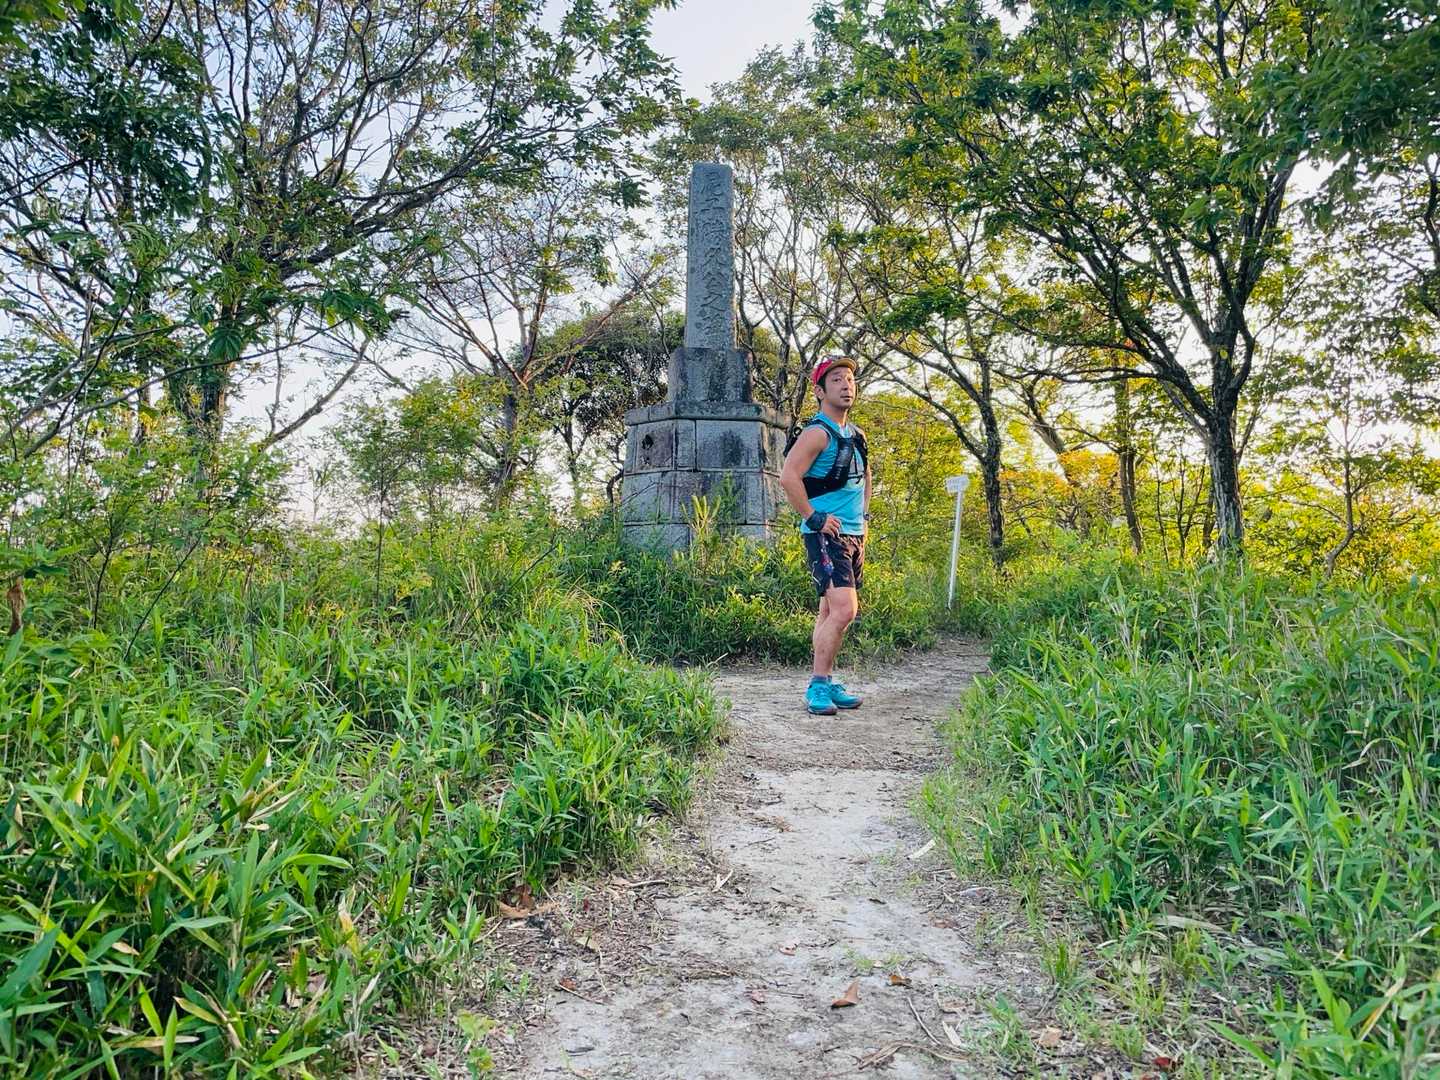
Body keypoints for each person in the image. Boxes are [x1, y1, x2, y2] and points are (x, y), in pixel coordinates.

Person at [779, 356, 871, 716]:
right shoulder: (817, 433)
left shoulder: (857, 435)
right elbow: (789, 476)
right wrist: (814, 517)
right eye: (836, 380)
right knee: (846, 610)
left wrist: (864, 517)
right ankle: (818, 684)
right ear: (819, 391)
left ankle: (827, 680)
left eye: (850, 379)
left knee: (829, 611)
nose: (846, 385)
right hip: (826, 534)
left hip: (853, 533)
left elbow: (865, 476)